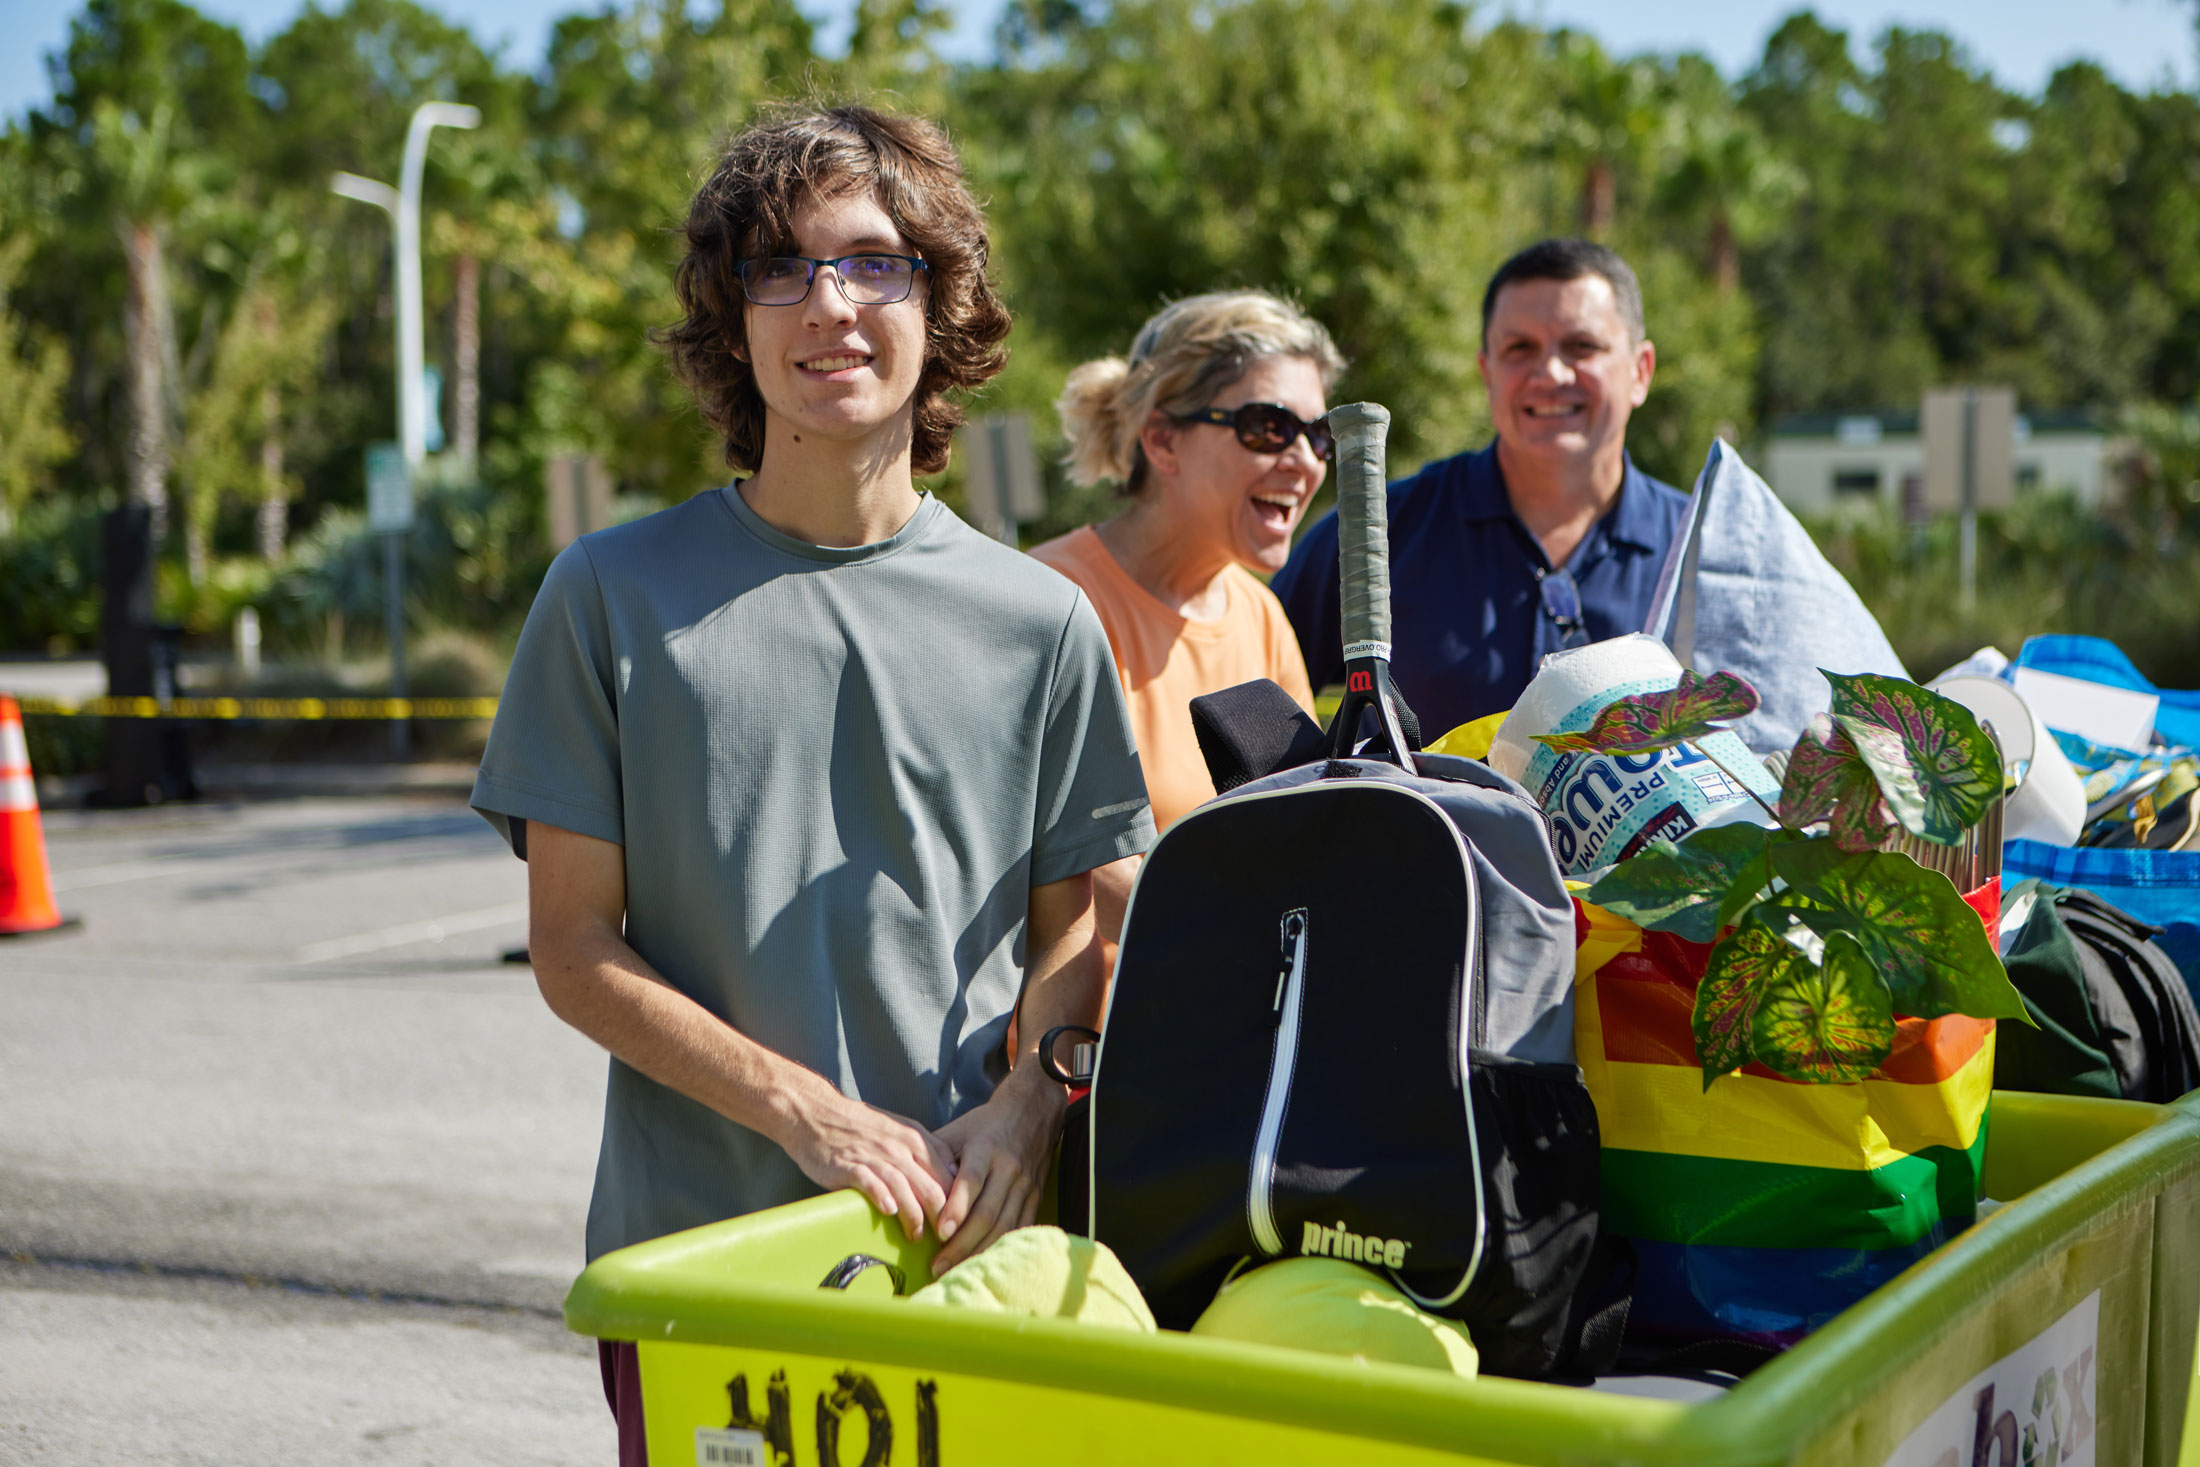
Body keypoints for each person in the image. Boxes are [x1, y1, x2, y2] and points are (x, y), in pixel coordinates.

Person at [468, 104, 1154, 1463]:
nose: (827, 303)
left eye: (871, 261)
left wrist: (1030, 1100)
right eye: (778, 267)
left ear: (938, 298)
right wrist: (814, 1115)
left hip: (977, 1253)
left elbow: (1082, 925)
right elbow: (572, 947)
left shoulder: (1045, 621)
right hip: (702, 1264)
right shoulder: (610, 596)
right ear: (734, 319)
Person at [1270, 238, 1690, 741]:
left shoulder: (1701, 553)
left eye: (1583, 347)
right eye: (1520, 349)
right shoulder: (1375, 533)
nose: (1550, 373)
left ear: (1640, 372)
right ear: (1487, 373)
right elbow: (1259, 727)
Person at [1033, 291, 1334, 833]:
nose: (1307, 462)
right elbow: (1069, 867)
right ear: (1163, 440)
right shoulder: (1050, 600)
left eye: (1319, 436)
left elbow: (1304, 829)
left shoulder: (1262, 616)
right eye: (1269, 428)